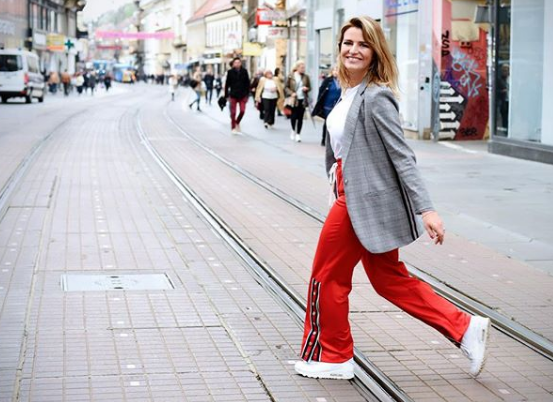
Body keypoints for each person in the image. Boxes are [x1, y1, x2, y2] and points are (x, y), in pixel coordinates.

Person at [294, 16, 490, 381]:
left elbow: (402, 156)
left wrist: (426, 209)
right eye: (348, 43)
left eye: (363, 44)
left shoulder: (377, 96)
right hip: (352, 194)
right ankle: (464, 327)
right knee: (389, 280)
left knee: (327, 276)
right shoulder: (348, 91)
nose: (354, 50)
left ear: (375, 52)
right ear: (339, 47)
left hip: (359, 200)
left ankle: (333, 355)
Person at [312, 66, 341, 146]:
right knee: (328, 122)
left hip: (338, 106)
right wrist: (319, 103)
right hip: (327, 105)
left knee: (335, 123)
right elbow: (321, 91)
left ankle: (333, 140)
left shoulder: (343, 81)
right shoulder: (328, 80)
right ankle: (324, 139)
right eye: (335, 70)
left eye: (338, 70)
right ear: (332, 71)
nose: (336, 72)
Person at [285, 60, 311, 142]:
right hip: (294, 99)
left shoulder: (306, 77)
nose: (303, 69)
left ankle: (298, 134)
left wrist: (306, 89)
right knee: (293, 116)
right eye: (302, 67)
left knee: (300, 117)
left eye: (304, 68)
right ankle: (293, 130)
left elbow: (310, 87)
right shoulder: (291, 76)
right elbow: (286, 87)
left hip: (302, 99)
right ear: (297, 67)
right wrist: (291, 93)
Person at [224, 57, 250, 134]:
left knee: (242, 111)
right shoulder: (230, 72)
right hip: (233, 94)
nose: (237, 64)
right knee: (233, 112)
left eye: (238, 62)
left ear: (241, 63)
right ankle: (233, 127)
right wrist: (226, 95)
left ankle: (237, 122)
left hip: (243, 94)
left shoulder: (244, 71)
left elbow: (247, 83)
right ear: (233, 64)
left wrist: (247, 94)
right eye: (236, 62)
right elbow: (227, 84)